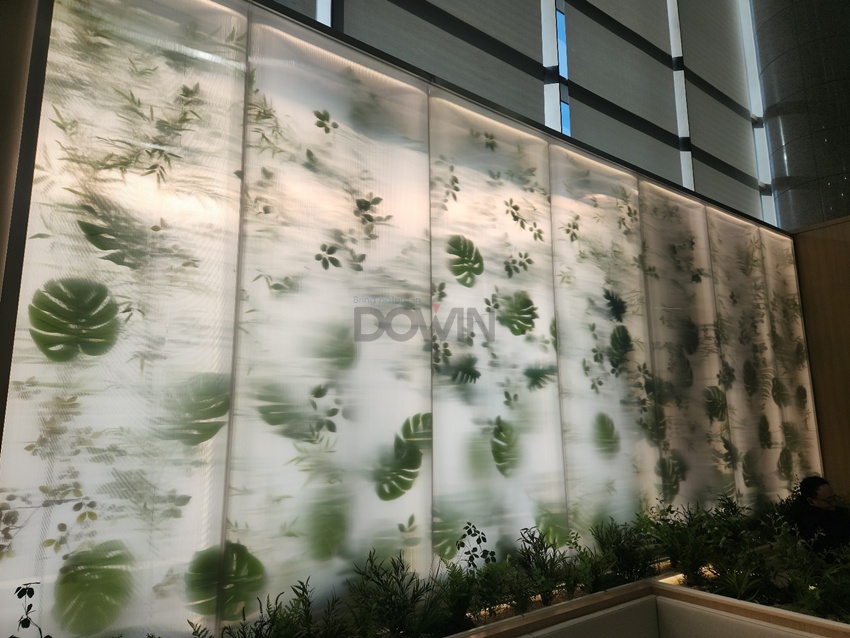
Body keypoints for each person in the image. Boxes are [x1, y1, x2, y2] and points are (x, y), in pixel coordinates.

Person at [787, 476, 850, 555]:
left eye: (834, 498)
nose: (834, 503)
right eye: (829, 500)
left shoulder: (833, 511)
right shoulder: (806, 523)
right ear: (811, 501)